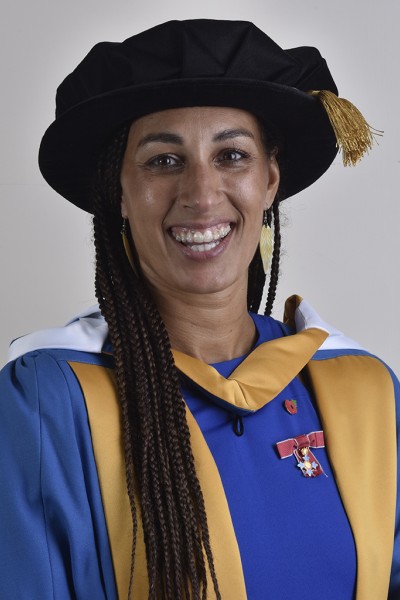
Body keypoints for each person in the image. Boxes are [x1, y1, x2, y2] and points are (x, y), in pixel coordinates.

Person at [0, 19, 398, 600]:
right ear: (118, 192)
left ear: (270, 180)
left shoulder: (363, 389)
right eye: (164, 161)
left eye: (231, 155)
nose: (202, 195)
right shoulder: (53, 400)